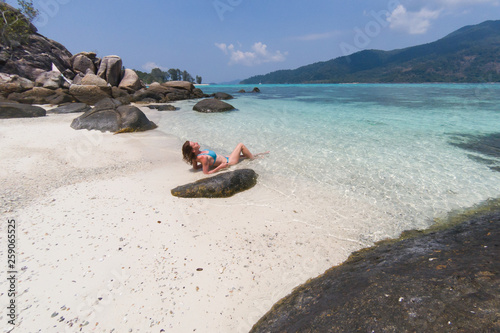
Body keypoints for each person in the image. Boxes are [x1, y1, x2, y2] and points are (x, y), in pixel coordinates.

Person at [182, 141, 268, 174]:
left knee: (244, 155)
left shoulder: (195, 156)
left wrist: (207, 164)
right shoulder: (202, 157)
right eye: (194, 144)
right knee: (240, 145)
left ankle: (257, 155)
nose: (196, 142)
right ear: (193, 150)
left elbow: (196, 167)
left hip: (226, 157)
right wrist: (220, 167)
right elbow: (206, 173)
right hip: (229, 161)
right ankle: (253, 159)